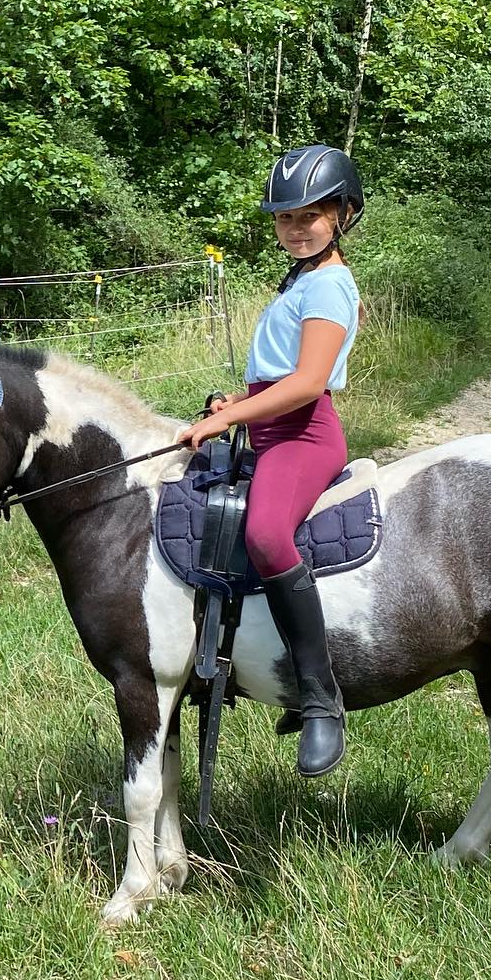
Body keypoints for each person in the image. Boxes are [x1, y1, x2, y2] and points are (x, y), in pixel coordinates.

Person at [176, 144, 364, 777]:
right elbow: (276, 376)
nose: (296, 227)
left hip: (305, 437)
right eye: (285, 217)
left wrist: (228, 418)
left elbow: (310, 382)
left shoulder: (332, 285)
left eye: (310, 214)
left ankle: (321, 699)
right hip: (271, 428)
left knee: (263, 533)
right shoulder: (302, 281)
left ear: (342, 213)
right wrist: (237, 400)